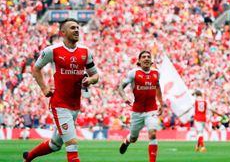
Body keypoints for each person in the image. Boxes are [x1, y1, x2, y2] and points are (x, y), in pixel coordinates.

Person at [23, 18, 100, 162]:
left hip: (75, 105)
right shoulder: (52, 51)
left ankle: (28, 157)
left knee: (55, 144)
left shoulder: (86, 52)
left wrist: (90, 80)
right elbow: (36, 68)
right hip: (59, 104)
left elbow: (95, 75)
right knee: (72, 145)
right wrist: (44, 88)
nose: (76, 30)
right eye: (72, 28)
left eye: (77, 27)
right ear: (62, 33)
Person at [117, 50, 163, 162]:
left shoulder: (156, 73)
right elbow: (120, 87)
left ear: (151, 61)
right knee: (134, 137)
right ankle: (127, 141)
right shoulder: (133, 73)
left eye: (148, 57)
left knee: (152, 133)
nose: (146, 58)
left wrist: (161, 103)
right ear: (139, 61)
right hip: (137, 111)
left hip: (151, 110)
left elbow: (157, 87)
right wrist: (124, 97)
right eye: (144, 57)